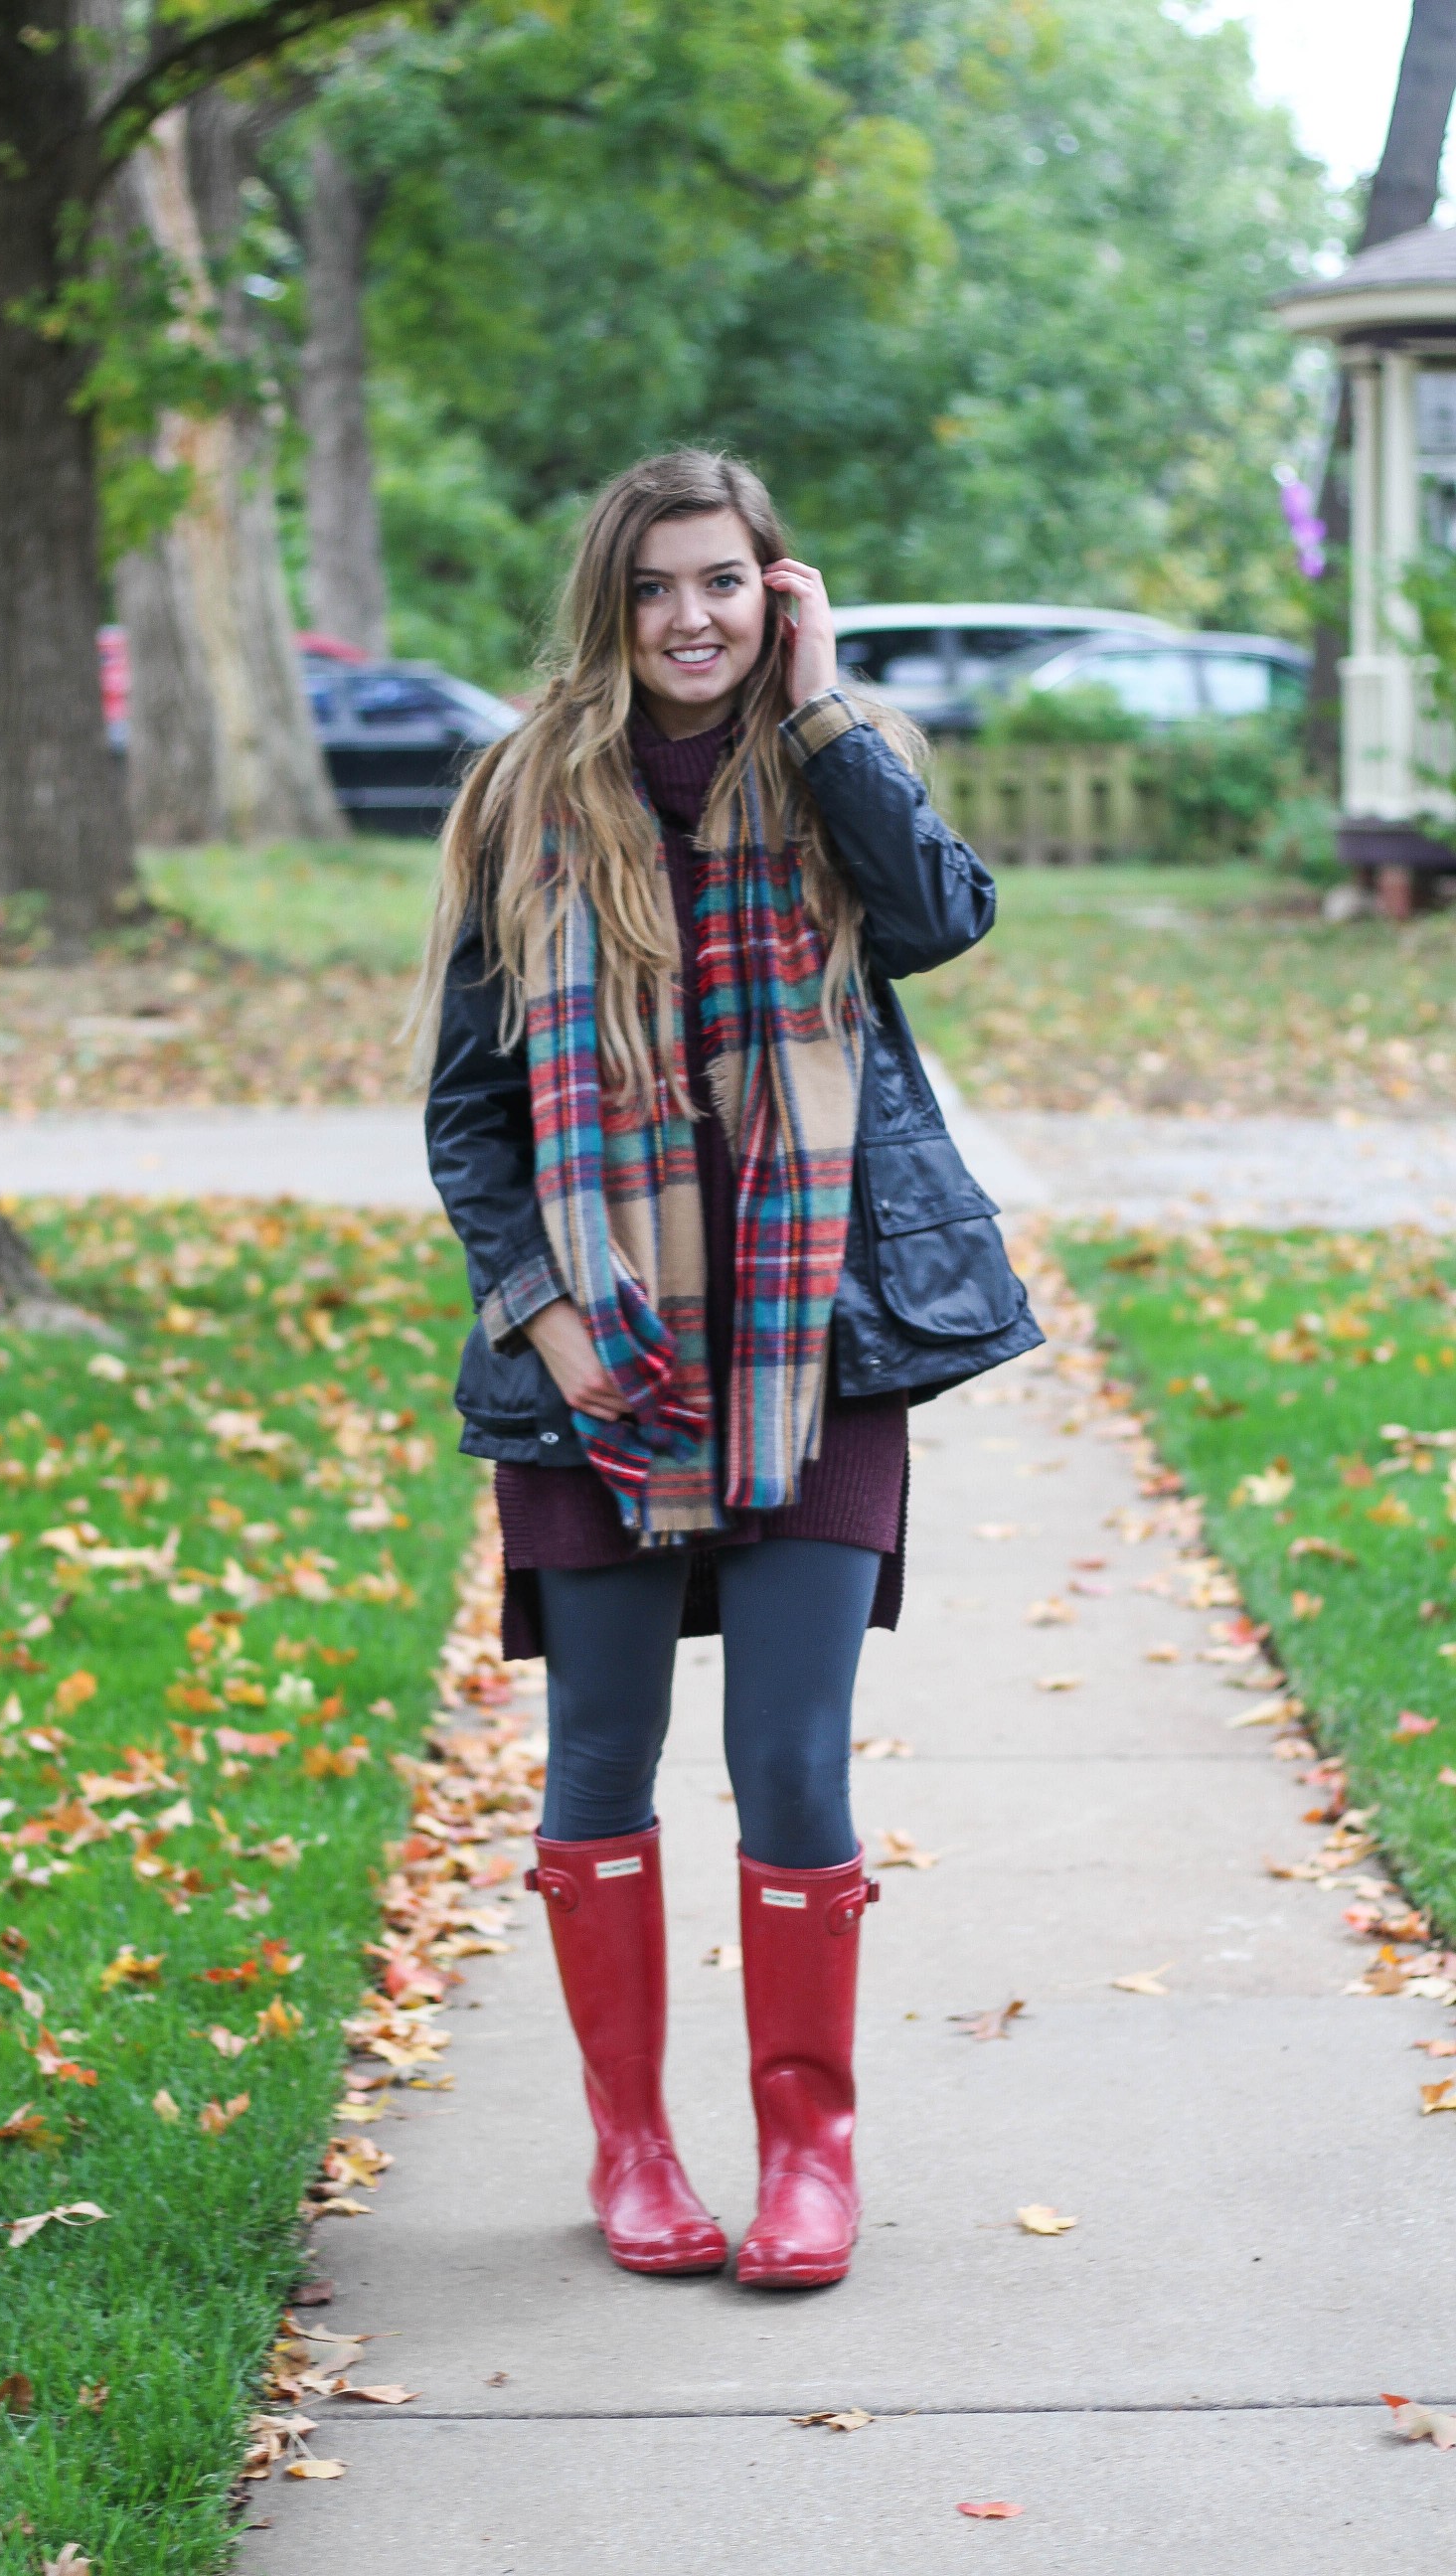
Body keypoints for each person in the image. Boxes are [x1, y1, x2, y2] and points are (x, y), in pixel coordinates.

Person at [414, 449, 1041, 2291]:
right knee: (604, 1746)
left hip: (817, 1334)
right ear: (612, 606)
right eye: (657, 588)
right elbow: (468, 1118)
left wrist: (826, 695)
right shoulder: (523, 799)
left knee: (789, 1750)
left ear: (778, 589)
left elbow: (940, 921)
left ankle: (808, 2159)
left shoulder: (839, 763)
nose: (693, 619)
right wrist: (551, 1324)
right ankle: (632, 2152)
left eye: (728, 583)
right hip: (595, 1348)